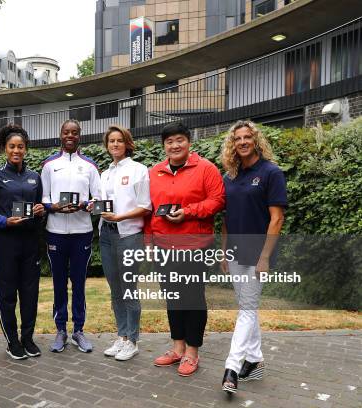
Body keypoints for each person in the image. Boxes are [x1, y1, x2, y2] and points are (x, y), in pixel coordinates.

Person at [146, 122, 225, 377]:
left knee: (192, 299)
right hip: (163, 247)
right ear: (164, 146)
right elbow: (148, 210)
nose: (175, 145)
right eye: (169, 142)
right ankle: (177, 348)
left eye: (179, 140)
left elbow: (217, 200)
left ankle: (192, 352)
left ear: (189, 142)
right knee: (173, 298)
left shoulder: (206, 168)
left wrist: (188, 213)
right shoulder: (154, 172)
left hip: (194, 246)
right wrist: (148, 243)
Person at [220, 120, 287, 394]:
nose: (243, 142)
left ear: (256, 140)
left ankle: (232, 368)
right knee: (247, 306)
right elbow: (226, 218)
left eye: (248, 137)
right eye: (238, 138)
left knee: (246, 309)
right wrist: (223, 252)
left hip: (257, 253)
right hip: (235, 252)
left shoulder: (271, 172)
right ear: (233, 144)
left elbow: (277, 218)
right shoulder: (229, 176)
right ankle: (255, 360)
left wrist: (264, 257)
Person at [0, 123, 45, 360]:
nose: (16, 151)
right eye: (11, 147)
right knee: (7, 294)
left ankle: (27, 338)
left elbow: (40, 205)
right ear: (4, 149)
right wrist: (2, 221)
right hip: (6, 241)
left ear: (25, 149)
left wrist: (40, 210)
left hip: (30, 242)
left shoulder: (34, 177)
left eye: (20, 146)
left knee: (30, 293)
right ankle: (12, 341)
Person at [40, 119, 101, 353]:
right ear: (60, 134)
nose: (70, 136)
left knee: (78, 284)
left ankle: (78, 331)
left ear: (80, 136)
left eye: (74, 132)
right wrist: (53, 206)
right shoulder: (49, 164)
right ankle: (60, 331)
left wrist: (87, 204)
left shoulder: (89, 165)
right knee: (58, 283)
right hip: (55, 233)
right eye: (66, 132)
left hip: (81, 233)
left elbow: (98, 199)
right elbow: (43, 197)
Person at [96, 125, 151, 361]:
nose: (115, 145)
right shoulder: (105, 173)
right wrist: (94, 206)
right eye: (111, 141)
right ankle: (122, 336)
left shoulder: (139, 170)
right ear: (107, 145)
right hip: (106, 235)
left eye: (119, 141)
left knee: (129, 289)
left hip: (129, 235)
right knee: (115, 289)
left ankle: (133, 340)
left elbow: (145, 206)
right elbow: (103, 202)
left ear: (127, 143)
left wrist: (120, 216)